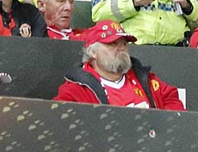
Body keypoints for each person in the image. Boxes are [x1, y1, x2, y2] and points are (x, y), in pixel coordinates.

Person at [53, 20, 183, 109]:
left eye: (124, 43)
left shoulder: (144, 78)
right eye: (112, 44)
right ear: (93, 52)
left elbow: (171, 98)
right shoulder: (75, 90)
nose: (121, 48)